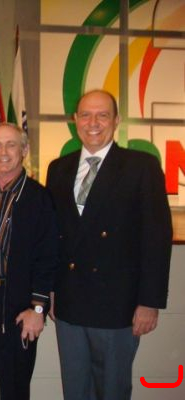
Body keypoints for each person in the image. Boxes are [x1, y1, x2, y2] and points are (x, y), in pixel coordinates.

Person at [46, 89, 172, 400]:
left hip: (118, 305)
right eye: (86, 115)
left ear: (116, 120)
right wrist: (51, 290)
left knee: (113, 391)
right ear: (75, 120)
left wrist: (150, 302)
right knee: (75, 391)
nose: (93, 123)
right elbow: (54, 237)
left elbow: (156, 239)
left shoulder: (141, 167)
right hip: (70, 302)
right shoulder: (58, 169)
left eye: (102, 115)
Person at [0, 122, 58, 400]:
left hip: (18, 303)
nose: (3, 152)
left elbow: (48, 257)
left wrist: (38, 309)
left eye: (11, 145)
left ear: (24, 150)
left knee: (14, 386)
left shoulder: (38, 197)